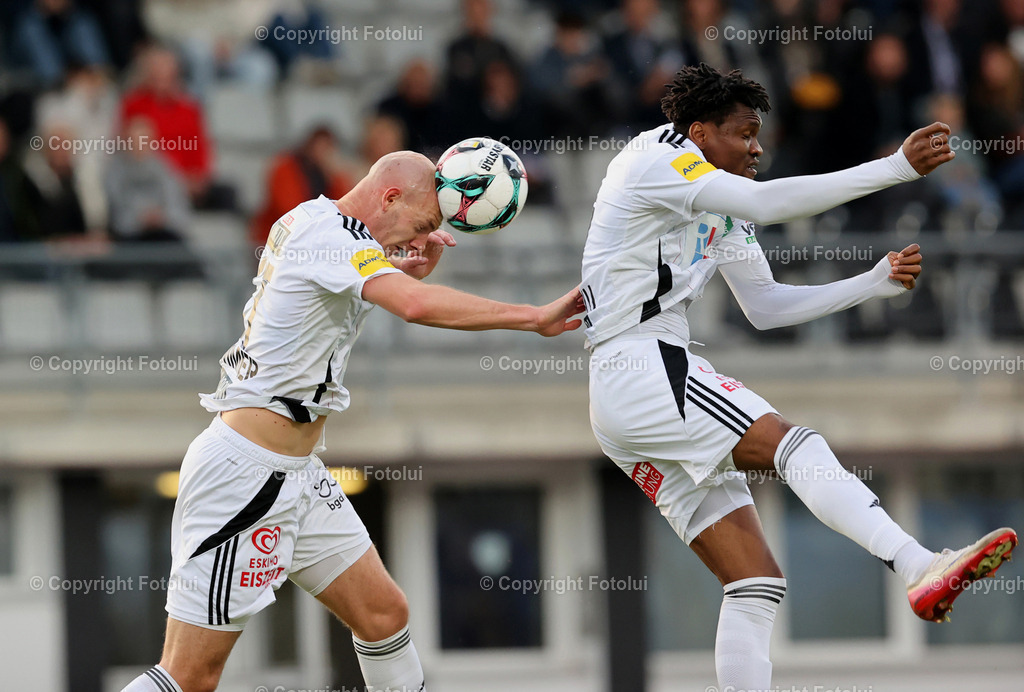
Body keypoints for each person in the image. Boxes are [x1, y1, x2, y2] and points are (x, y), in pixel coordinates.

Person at [581, 63, 1018, 692]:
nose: (757, 147)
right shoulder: (659, 157)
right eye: (743, 132)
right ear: (699, 130)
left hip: (627, 391)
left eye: (759, 133)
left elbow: (766, 306)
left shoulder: (718, 202)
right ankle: (918, 564)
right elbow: (766, 202)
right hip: (642, 365)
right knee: (793, 444)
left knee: (754, 583)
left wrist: (871, 283)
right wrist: (895, 167)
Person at [121, 151, 583, 692]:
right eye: (423, 224)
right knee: (190, 676)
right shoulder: (333, 236)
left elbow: (339, 288)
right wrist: (531, 317)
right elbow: (411, 306)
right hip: (245, 476)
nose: (421, 238)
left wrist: (396, 260)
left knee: (384, 614)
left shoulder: (315, 221)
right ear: (389, 198)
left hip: (298, 472)